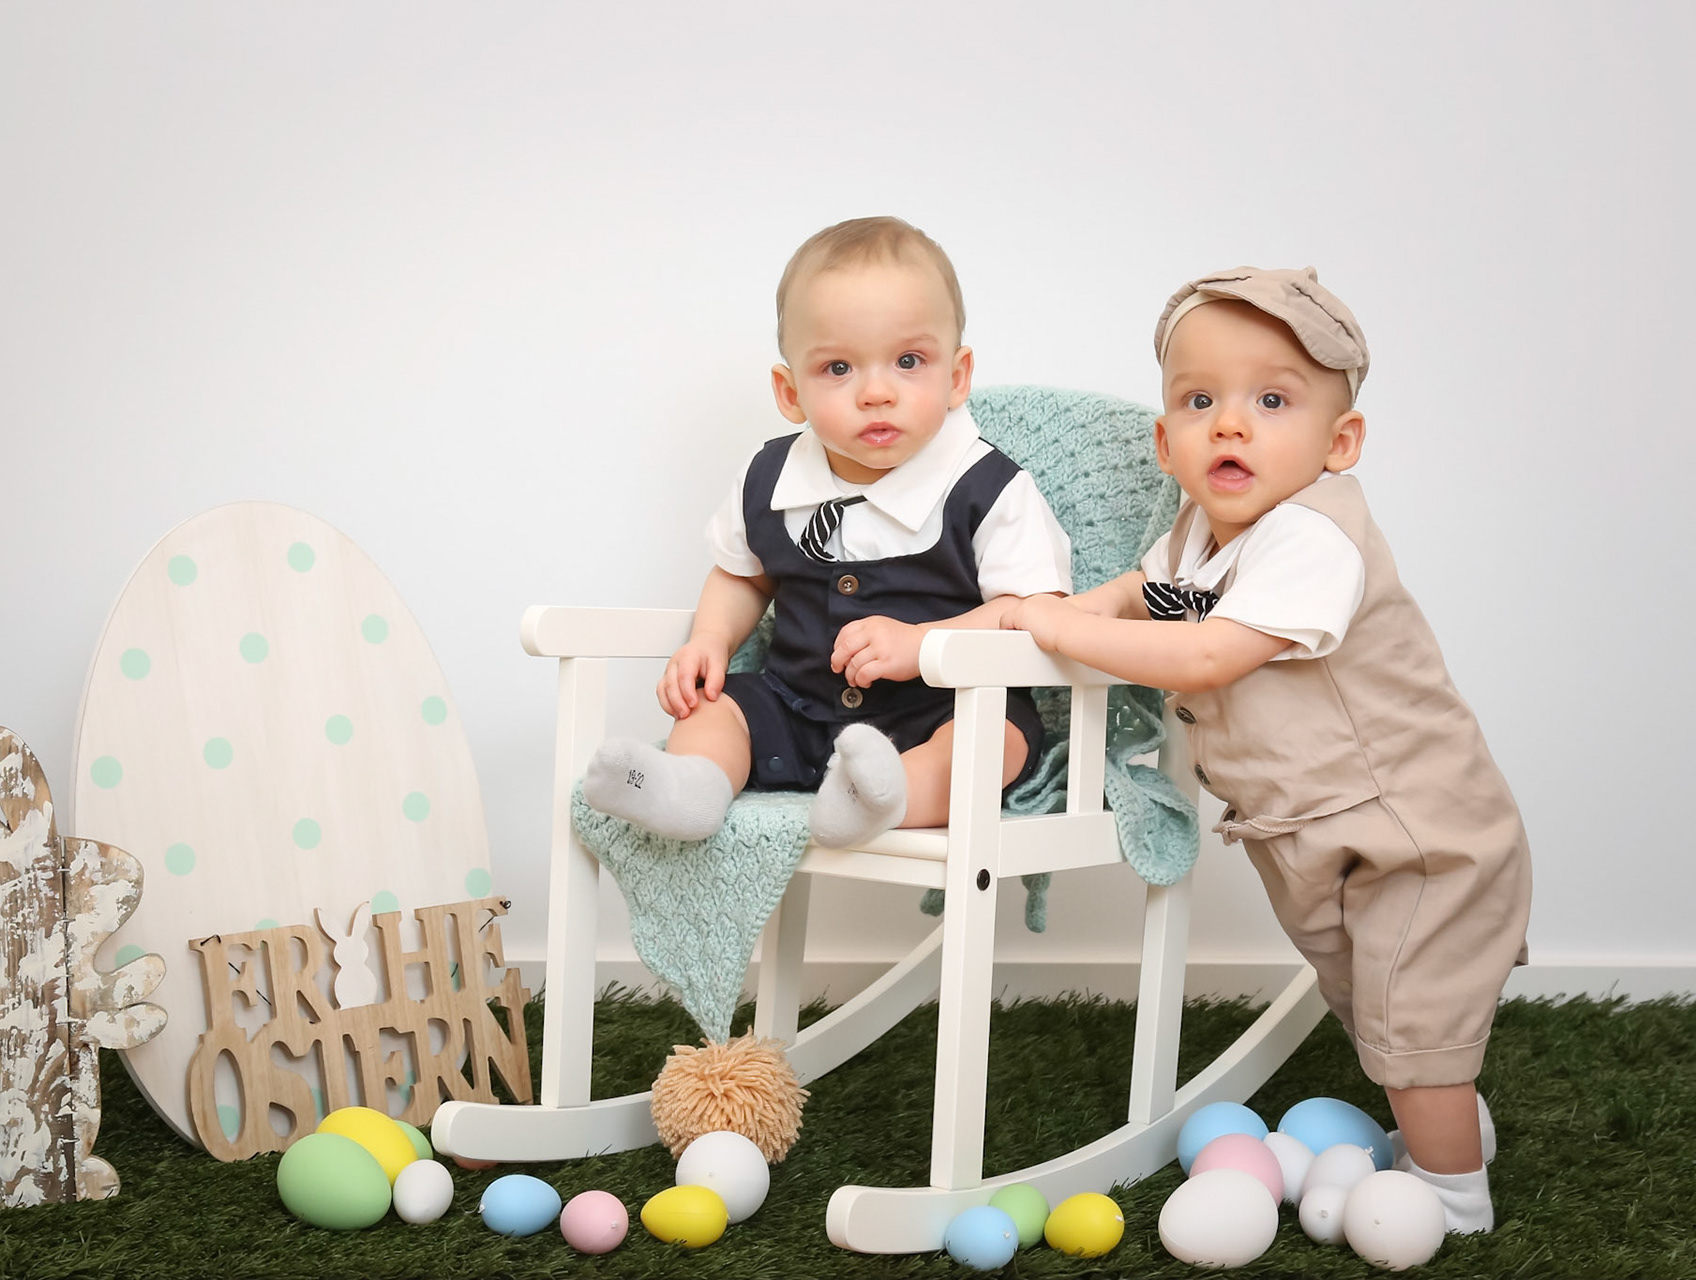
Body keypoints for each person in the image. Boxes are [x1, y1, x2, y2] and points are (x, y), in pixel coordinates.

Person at [1000, 267, 1532, 1233]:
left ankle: (1453, 1199)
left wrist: (1062, 631)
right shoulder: (1195, 535)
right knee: (1368, 1001)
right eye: (1200, 401)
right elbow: (1135, 595)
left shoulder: (1313, 536)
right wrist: (1054, 610)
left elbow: (1208, 654)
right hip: (1308, 831)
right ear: (1165, 441)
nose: (1231, 426)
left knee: (1410, 1014)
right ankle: (1449, 1130)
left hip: (1418, 829)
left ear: (1340, 443)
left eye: (1272, 401)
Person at [581, 216, 1071, 848]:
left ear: (956, 376)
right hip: (796, 706)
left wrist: (923, 642)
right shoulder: (770, 477)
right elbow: (742, 574)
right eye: (839, 367)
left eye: (909, 361)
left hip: (939, 711)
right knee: (716, 708)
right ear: (790, 392)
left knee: (994, 738)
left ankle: (885, 797)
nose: (876, 392)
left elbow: (1034, 611)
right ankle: (692, 789)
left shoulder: (987, 489)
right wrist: (710, 639)